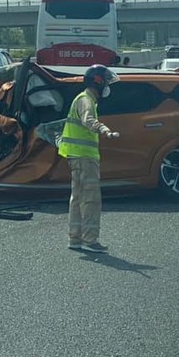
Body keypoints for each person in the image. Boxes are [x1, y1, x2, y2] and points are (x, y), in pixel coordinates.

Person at [58, 65, 121, 253]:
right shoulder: (86, 100)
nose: (108, 86)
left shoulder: (82, 98)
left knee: (77, 198)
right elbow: (88, 120)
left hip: (75, 156)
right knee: (91, 199)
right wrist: (104, 130)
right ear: (98, 82)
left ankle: (75, 238)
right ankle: (90, 240)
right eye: (107, 82)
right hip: (85, 158)